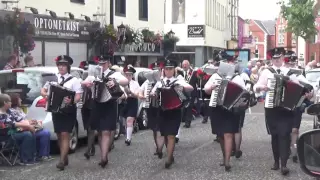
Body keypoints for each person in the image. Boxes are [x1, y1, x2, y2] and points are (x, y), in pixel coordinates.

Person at [253, 47, 306, 175]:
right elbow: (256, 86)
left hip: (286, 109)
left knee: (284, 135)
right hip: (271, 108)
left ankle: (284, 164)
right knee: (275, 136)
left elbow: (302, 85)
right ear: (271, 59)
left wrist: (306, 91)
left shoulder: (290, 72)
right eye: (274, 58)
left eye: (279, 58)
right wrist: (261, 88)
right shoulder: (266, 72)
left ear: (283, 58)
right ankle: (276, 161)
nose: (277, 60)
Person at [81, 55, 128, 168]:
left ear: (108, 63)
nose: (101, 65)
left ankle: (104, 157)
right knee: (100, 131)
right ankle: (104, 154)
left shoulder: (114, 74)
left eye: (104, 63)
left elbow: (125, 81)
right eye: (100, 63)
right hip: (96, 104)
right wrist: (87, 84)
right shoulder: (94, 73)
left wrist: (115, 82)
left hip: (109, 104)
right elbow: (83, 83)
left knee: (106, 131)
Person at [204, 51, 246, 172]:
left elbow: (244, 94)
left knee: (228, 134)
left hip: (231, 110)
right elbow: (206, 89)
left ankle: (227, 161)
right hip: (217, 108)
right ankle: (224, 157)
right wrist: (211, 88)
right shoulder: (215, 76)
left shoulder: (237, 78)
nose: (226, 64)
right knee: (221, 135)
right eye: (224, 62)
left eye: (228, 62)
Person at [40, 55, 83, 170]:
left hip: (68, 111)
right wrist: (45, 94)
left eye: (63, 65)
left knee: (65, 134)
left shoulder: (74, 80)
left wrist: (71, 100)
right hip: (56, 110)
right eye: (59, 65)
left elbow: (78, 96)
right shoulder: (53, 79)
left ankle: (61, 161)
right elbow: (43, 90)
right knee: (59, 135)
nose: (61, 67)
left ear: (68, 66)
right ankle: (65, 157)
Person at [151, 59, 193, 168]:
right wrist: (154, 94)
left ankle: (169, 159)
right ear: (163, 70)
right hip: (163, 111)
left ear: (174, 70)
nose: (168, 71)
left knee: (171, 135)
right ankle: (170, 155)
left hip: (175, 111)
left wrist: (181, 88)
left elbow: (190, 88)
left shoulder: (178, 80)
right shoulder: (160, 82)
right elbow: (152, 93)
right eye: (166, 69)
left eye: (170, 69)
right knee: (165, 134)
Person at [282, 51, 313, 163]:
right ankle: (285, 149)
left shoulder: (299, 74)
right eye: (289, 61)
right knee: (285, 130)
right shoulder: (280, 72)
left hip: (296, 105)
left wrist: (309, 94)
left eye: (293, 61)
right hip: (282, 106)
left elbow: (309, 88)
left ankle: (294, 151)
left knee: (295, 130)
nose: (291, 63)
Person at [8, 93, 53, 161]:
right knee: (30, 134)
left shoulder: (19, 110)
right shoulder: (11, 111)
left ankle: (43, 155)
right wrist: (30, 123)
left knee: (45, 133)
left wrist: (32, 121)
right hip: (21, 130)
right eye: (19, 99)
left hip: (27, 128)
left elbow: (24, 120)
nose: (21, 100)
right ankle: (29, 157)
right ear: (15, 100)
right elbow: (17, 123)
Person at [0, 94, 37, 165]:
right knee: (27, 135)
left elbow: (19, 120)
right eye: (10, 101)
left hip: (13, 134)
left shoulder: (9, 111)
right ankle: (25, 160)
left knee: (31, 131)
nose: (11, 103)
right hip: (5, 138)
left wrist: (31, 122)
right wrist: (28, 126)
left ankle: (32, 157)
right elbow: (12, 124)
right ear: (5, 102)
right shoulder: (1, 115)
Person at [139, 63, 163, 155]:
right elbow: (140, 91)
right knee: (154, 128)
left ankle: (160, 147)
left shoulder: (162, 81)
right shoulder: (147, 82)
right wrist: (141, 96)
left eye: (157, 70)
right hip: (150, 107)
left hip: (161, 107)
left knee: (159, 128)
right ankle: (157, 146)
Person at [121, 65, 140, 145]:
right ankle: (128, 135)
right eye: (126, 74)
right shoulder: (121, 83)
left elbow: (137, 95)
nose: (128, 76)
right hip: (124, 102)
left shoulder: (135, 84)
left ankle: (128, 139)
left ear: (132, 75)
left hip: (132, 102)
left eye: (130, 75)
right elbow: (120, 94)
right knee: (126, 121)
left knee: (129, 120)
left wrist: (130, 93)